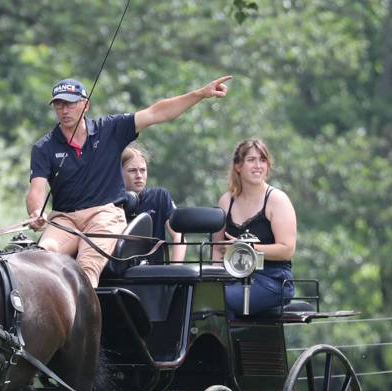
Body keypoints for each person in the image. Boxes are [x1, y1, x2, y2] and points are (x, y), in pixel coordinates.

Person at [27, 75, 232, 287]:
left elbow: (156, 113)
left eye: (70, 104)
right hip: (64, 218)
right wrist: (36, 212)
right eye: (59, 104)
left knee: (87, 266)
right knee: (41, 257)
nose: (64, 110)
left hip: (104, 214)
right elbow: (37, 190)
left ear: (85, 105)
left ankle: (84, 308)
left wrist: (199, 94)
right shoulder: (44, 147)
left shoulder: (109, 129)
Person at [212, 138, 297, 316]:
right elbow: (217, 249)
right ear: (238, 166)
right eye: (251, 160)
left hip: (272, 280)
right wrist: (213, 280)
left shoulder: (277, 200)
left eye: (262, 160)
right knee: (199, 296)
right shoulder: (226, 201)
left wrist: (246, 248)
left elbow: (287, 250)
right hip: (233, 278)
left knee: (220, 300)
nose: (258, 165)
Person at [120, 144, 185, 263]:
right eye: (132, 171)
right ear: (119, 173)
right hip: (119, 272)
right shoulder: (109, 202)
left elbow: (179, 236)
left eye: (143, 170)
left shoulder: (160, 196)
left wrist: (175, 269)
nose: (139, 176)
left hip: (153, 271)